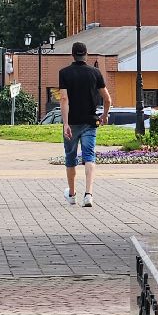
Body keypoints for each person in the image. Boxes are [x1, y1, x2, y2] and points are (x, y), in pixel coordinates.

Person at [58, 40, 112, 207]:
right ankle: (88, 194)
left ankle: (72, 194)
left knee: (70, 157)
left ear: (72, 55)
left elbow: (64, 98)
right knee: (89, 156)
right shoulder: (95, 73)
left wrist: (66, 123)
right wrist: (104, 115)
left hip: (72, 122)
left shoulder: (64, 73)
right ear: (86, 54)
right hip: (90, 121)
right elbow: (107, 98)